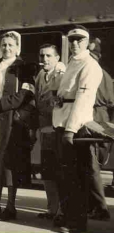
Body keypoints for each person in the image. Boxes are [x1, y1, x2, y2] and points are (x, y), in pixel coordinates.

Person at [0, 31, 35, 220]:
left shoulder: (23, 67)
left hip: (10, 120)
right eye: (4, 45)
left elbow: (25, 95)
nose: (7, 48)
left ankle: (10, 207)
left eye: (11, 45)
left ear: (17, 47)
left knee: (10, 162)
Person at [53, 25, 103, 233]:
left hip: (77, 126)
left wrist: (70, 130)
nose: (74, 44)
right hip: (62, 121)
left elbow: (83, 99)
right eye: (72, 40)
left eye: (79, 40)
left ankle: (77, 224)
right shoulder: (72, 63)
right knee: (65, 175)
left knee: (76, 177)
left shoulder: (90, 66)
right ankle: (68, 216)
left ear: (87, 42)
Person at [35, 44, 65, 220]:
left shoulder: (62, 75)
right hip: (44, 130)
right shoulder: (40, 75)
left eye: (48, 56)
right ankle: (51, 209)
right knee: (47, 172)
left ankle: (62, 210)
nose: (44, 59)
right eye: (42, 56)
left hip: (57, 129)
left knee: (59, 170)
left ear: (57, 58)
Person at [87, 37, 112, 221]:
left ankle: (100, 208)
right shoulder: (106, 75)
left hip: (93, 118)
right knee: (94, 163)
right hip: (103, 117)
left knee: (91, 164)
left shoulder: (91, 72)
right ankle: (96, 206)